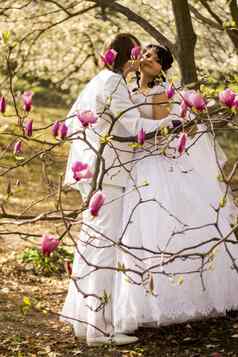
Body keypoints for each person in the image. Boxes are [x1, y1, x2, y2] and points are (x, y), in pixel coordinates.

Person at [60, 35, 177, 346]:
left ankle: (85, 324)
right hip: (110, 178)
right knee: (104, 250)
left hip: (104, 176)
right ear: (129, 57)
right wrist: (174, 121)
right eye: (138, 52)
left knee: (92, 247)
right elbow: (132, 127)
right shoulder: (113, 84)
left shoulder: (106, 79)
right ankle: (100, 330)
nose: (141, 56)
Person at [113, 44, 238, 333]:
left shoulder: (160, 93)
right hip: (135, 164)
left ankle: (172, 299)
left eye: (153, 60)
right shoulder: (128, 88)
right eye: (144, 54)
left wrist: (133, 137)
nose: (146, 60)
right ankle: (140, 298)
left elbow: (160, 132)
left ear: (162, 69)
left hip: (155, 164)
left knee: (161, 228)